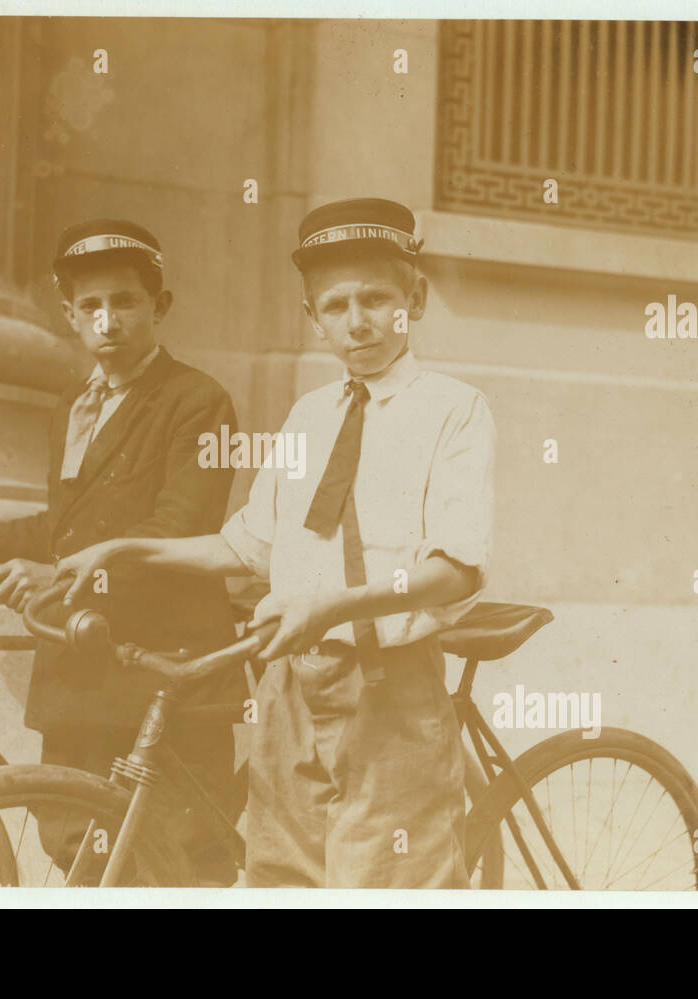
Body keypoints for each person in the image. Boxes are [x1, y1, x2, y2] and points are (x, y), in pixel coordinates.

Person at [55, 198, 495, 888]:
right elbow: (244, 548)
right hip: (287, 686)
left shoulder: (454, 408)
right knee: (279, 876)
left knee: (382, 881)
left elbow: (454, 572)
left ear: (414, 297)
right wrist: (122, 552)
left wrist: (333, 606)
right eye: (336, 304)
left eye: (376, 298)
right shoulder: (307, 416)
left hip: (390, 689)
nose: (358, 322)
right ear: (311, 316)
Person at [0, 219, 244, 884]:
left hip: (162, 667)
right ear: (69, 315)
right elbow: (65, 526)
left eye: (125, 302)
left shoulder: (197, 400)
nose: (108, 321)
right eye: (90, 306)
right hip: (79, 663)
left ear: (160, 306)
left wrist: (57, 573)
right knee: (74, 839)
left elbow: (177, 528)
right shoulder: (73, 405)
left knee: (173, 859)